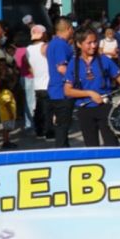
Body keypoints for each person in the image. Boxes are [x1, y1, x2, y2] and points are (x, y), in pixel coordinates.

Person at [64, 30, 120, 147]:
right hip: (85, 110)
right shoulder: (73, 64)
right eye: (89, 43)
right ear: (79, 44)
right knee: (91, 146)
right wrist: (90, 93)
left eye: (95, 42)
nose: (93, 46)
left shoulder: (104, 60)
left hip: (105, 108)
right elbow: (68, 90)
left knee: (111, 144)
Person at [46, 17, 76, 148]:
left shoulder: (53, 43)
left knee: (62, 124)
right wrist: (78, 79)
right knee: (63, 125)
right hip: (62, 90)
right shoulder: (60, 45)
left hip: (56, 90)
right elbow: (62, 68)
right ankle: (62, 150)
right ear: (69, 29)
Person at [26, 25, 50, 139]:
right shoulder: (46, 47)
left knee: (39, 108)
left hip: (37, 83)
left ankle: (39, 130)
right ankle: (48, 131)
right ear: (43, 34)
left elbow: (28, 66)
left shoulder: (28, 49)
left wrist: (36, 73)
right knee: (48, 109)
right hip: (48, 82)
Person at [0, 58, 20, 150]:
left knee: (6, 129)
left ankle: (6, 140)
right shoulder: (6, 93)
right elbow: (7, 104)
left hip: (4, 114)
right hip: (7, 115)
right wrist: (11, 114)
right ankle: (6, 141)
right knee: (6, 129)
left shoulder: (1, 92)